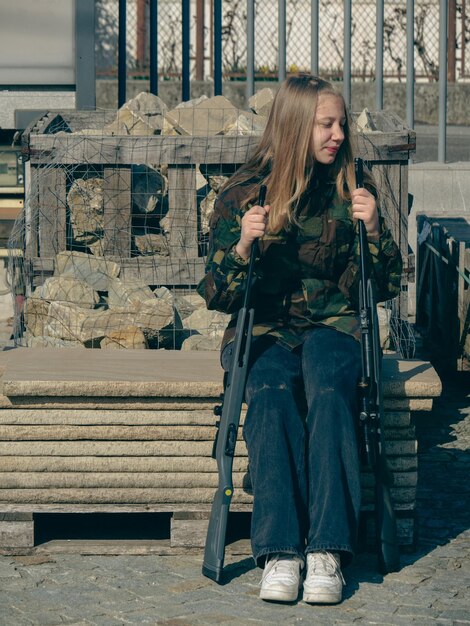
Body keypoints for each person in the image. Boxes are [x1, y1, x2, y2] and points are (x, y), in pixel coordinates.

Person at [197, 74, 402, 605]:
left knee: (332, 391)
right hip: (264, 326)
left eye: (341, 124)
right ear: (294, 126)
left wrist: (375, 232)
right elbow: (217, 294)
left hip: (332, 324)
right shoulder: (246, 192)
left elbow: (385, 286)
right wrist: (242, 243)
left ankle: (328, 551)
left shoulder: (353, 188)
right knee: (268, 396)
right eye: (325, 124)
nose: (338, 134)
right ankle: (280, 551)